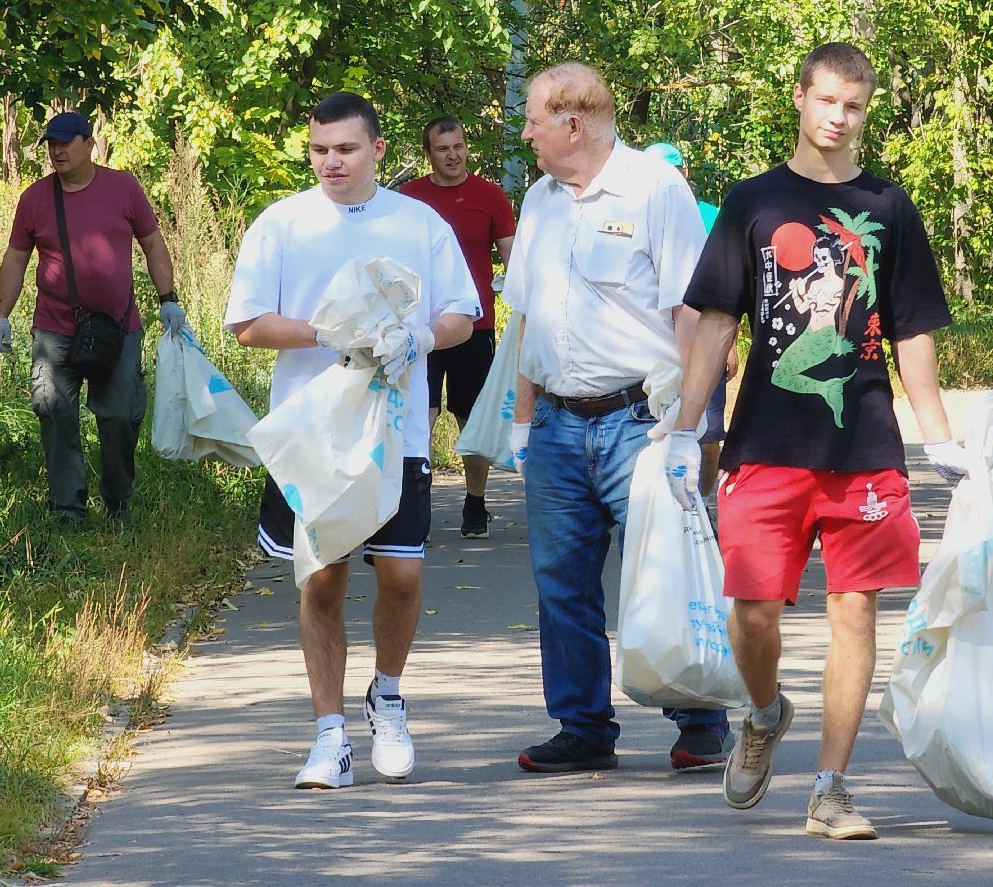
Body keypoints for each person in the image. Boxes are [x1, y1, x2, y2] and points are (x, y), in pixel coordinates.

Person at [665, 42, 969, 840]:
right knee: (753, 614)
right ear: (799, 96)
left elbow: (912, 332)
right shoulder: (751, 202)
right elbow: (717, 323)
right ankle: (764, 715)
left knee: (856, 613)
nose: (839, 118)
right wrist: (682, 426)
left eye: (855, 106)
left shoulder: (890, 206)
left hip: (864, 449)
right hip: (765, 441)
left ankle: (831, 789)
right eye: (827, 100)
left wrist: (937, 437)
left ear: (867, 110)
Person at [224, 92, 480, 790]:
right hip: (313, 434)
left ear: (376, 151)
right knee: (324, 579)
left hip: (395, 432)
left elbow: (461, 313)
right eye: (319, 149)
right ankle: (329, 736)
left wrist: (419, 336)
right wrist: (331, 332)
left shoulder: (418, 222)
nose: (331, 161)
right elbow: (247, 324)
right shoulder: (283, 224)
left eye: (345, 148)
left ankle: (387, 697)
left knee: (400, 574)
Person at [503, 63, 730, 774]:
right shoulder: (538, 199)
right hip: (558, 428)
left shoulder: (654, 188)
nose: (526, 132)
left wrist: (690, 427)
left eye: (535, 119)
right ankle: (583, 728)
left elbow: (689, 312)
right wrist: (522, 419)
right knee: (560, 582)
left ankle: (700, 720)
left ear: (573, 124)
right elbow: (528, 320)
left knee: (663, 571)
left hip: (640, 420)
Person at [0, 111, 185, 523]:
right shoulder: (35, 198)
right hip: (54, 328)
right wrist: (1, 315)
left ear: (88, 143)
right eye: (51, 143)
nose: (57, 150)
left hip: (117, 327)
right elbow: (15, 258)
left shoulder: (123, 187)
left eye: (65, 142)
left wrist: (167, 298)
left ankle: (118, 502)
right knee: (54, 412)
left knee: (118, 415)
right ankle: (68, 508)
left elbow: (152, 243)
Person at [401, 116, 517, 538]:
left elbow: (512, 259)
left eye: (458, 146)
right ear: (428, 154)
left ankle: (475, 505)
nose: (452, 154)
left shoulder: (490, 196)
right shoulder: (410, 199)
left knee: (472, 419)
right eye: (442, 148)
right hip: (419, 330)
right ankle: (416, 511)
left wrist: (523, 304)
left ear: (467, 148)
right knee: (419, 418)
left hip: (474, 326)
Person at [645, 140, 737, 499]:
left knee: (710, 435)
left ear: (685, 172)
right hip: (654, 344)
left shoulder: (713, 216)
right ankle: (661, 505)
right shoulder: (636, 213)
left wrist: (729, 345)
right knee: (655, 430)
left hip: (704, 340)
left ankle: (699, 504)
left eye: (674, 170)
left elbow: (731, 287)